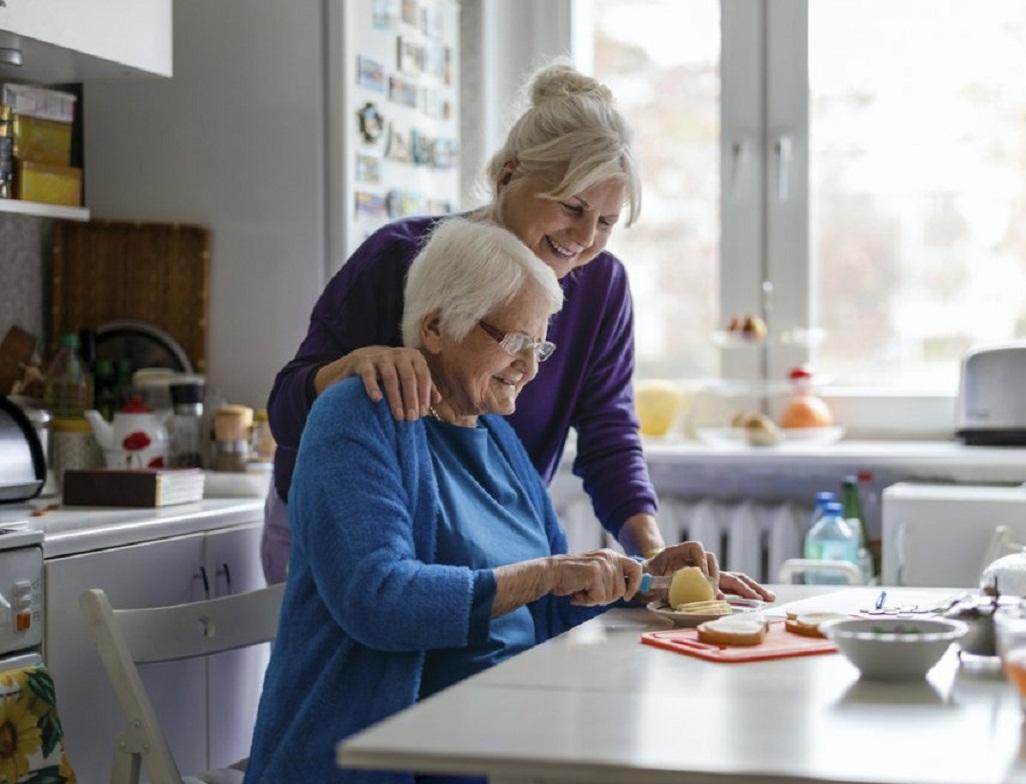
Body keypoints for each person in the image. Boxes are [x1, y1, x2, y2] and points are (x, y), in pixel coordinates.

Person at [262, 63, 772, 602]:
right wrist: (353, 365)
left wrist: (650, 555)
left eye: (605, 221)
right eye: (572, 207)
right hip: (347, 537)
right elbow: (286, 411)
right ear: (507, 174)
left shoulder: (600, 287)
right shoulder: (400, 257)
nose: (584, 238)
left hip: (477, 547)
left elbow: (608, 435)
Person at [245, 218, 712, 784]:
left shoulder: (495, 435)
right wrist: (543, 575)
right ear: (437, 327)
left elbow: (546, 608)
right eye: (512, 340)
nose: (530, 366)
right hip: (404, 752)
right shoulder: (358, 417)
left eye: (539, 344)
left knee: (660, 766)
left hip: (514, 726)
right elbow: (379, 601)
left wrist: (644, 582)